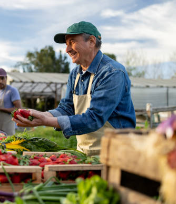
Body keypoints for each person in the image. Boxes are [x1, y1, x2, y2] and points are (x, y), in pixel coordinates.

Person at [13, 21, 136, 156]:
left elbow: (95, 118)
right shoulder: (75, 73)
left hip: (117, 154)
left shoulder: (112, 72)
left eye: (72, 42)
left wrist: (46, 121)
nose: (67, 50)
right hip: (85, 153)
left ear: (91, 41)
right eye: (66, 45)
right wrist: (42, 115)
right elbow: (67, 108)